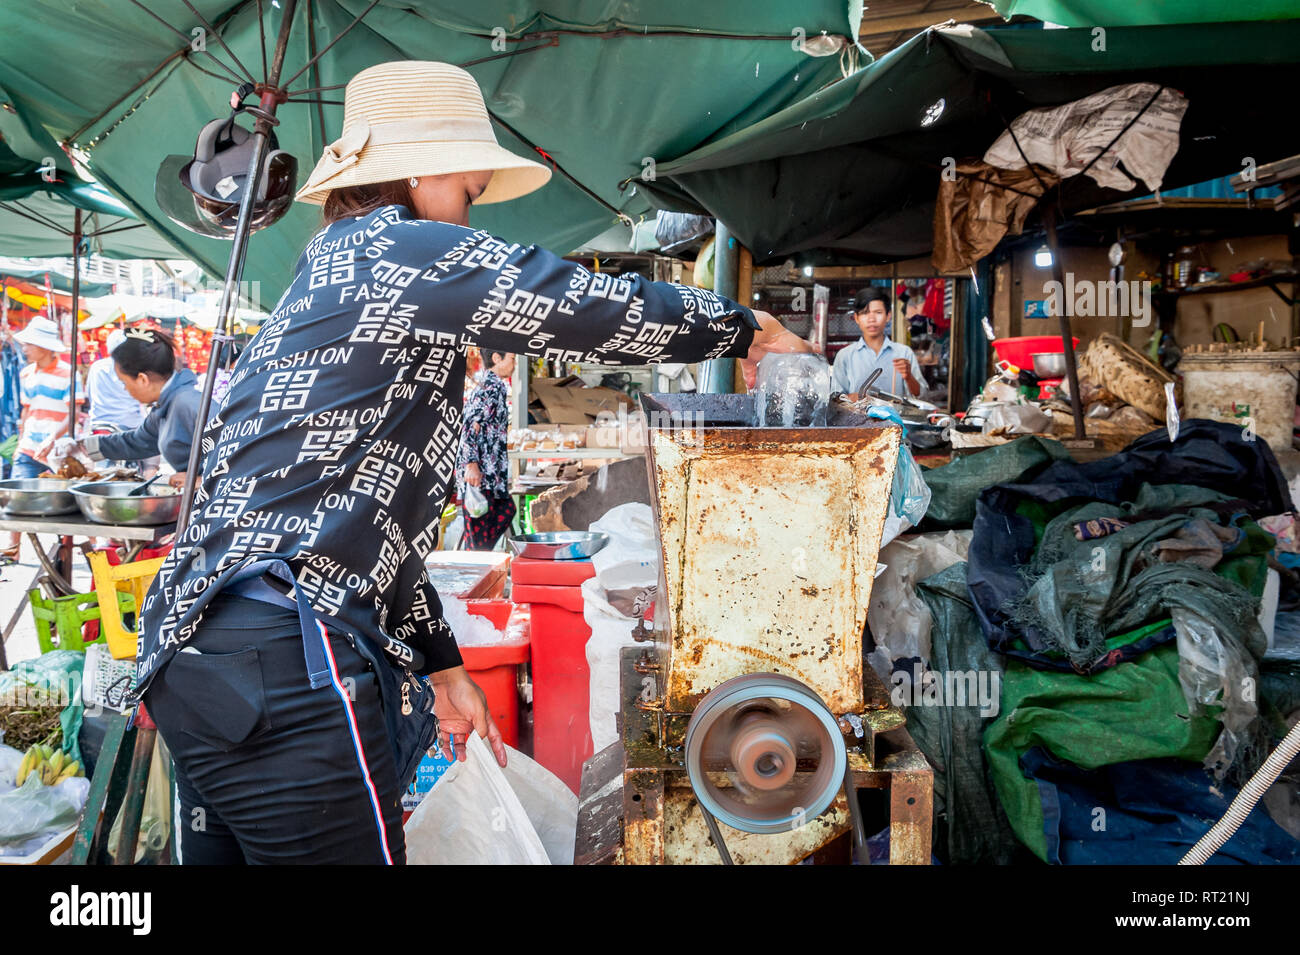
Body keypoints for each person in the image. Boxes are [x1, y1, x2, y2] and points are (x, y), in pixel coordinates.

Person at [131, 60, 807, 865]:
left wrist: (446, 668)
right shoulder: (398, 248)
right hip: (285, 657)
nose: (470, 215)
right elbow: (572, 305)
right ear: (424, 169)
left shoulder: (331, 269)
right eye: (471, 194)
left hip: (200, 655)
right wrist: (741, 327)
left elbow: (376, 527)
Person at [80, 328, 200, 484]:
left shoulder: (188, 403)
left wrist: (202, 480)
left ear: (143, 380)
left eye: (125, 383)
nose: (125, 389)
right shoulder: (164, 407)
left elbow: (237, 450)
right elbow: (138, 441)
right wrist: (85, 446)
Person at [2, 316, 78, 563]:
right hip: (29, 447)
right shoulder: (26, 374)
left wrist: (53, 438)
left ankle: (70, 548)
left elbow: (72, 412)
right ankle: (13, 551)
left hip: (57, 449)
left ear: (44, 346)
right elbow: (27, 410)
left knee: (68, 499)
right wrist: (21, 440)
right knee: (17, 498)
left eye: (29, 344)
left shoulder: (68, 373)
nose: (24, 349)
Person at [456, 349, 516, 550]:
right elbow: (469, 426)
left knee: (507, 509)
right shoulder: (488, 387)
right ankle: (475, 564)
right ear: (497, 358)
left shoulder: (495, 386)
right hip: (479, 474)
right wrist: (471, 464)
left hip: (492, 474)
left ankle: (479, 556)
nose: (514, 364)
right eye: (512, 359)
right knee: (478, 536)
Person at [832, 287, 926, 400]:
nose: (871, 319)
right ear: (856, 318)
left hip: (895, 417)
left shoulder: (904, 353)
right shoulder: (845, 356)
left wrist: (909, 377)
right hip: (856, 417)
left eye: (878, 312)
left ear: (888, 316)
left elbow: (922, 396)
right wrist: (855, 398)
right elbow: (835, 399)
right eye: (865, 313)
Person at [85, 328, 146, 466]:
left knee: (103, 471)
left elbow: (89, 393)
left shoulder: (97, 367)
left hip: (100, 424)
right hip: (129, 424)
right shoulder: (132, 368)